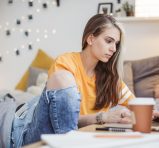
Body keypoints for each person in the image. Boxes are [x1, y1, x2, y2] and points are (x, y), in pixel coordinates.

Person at [10, 14, 135, 148]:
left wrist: (150, 113)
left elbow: (135, 104)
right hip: (35, 134)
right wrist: (102, 117)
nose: (114, 49)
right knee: (62, 78)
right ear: (91, 39)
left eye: (116, 44)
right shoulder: (65, 64)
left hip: (77, 137)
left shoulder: (110, 79)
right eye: (108, 41)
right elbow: (65, 122)